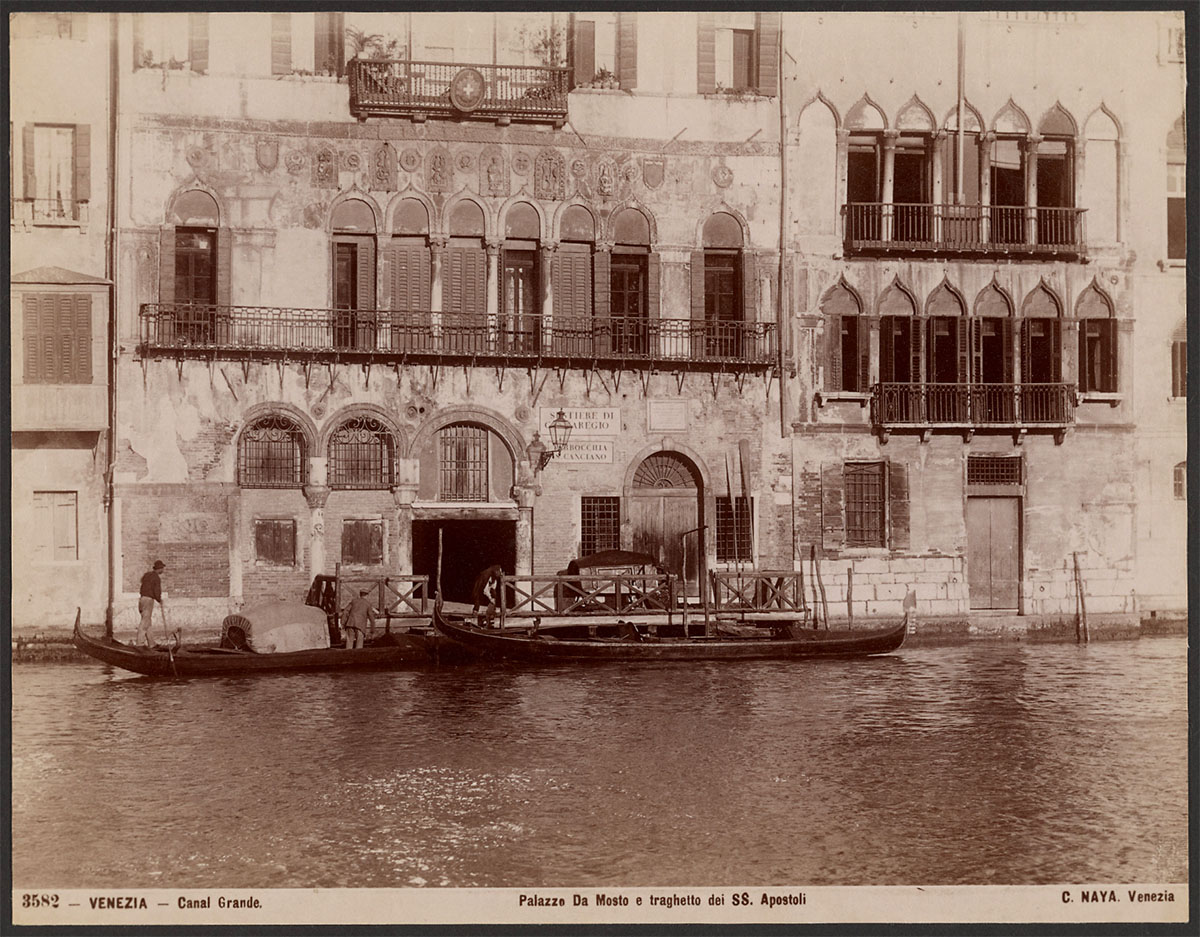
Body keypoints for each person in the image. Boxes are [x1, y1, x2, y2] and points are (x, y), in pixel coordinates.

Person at [137, 560, 166, 648]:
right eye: (162, 568)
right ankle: (139, 644)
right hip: (148, 600)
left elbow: (142, 584)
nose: (163, 570)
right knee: (145, 622)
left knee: (147, 621)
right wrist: (159, 599)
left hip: (142, 599)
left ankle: (151, 643)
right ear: (159, 569)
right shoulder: (156, 578)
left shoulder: (147, 575)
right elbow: (157, 591)